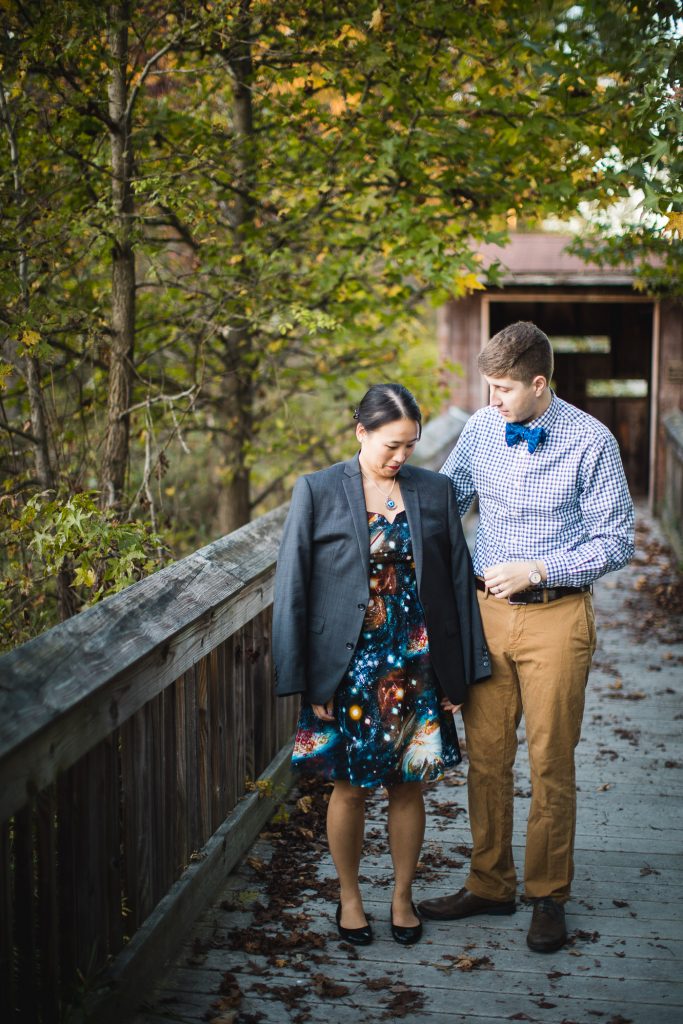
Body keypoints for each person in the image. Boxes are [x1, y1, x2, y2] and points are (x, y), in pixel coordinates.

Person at [418, 321, 635, 952]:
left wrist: (540, 568)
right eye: (487, 387)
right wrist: (377, 489)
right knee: (486, 757)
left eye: (503, 389)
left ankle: (547, 894)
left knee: (549, 761)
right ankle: (489, 883)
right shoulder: (483, 429)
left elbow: (617, 540)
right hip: (485, 615)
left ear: (539, 384)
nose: (491, 402)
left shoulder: (592, 442)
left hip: (557, 617)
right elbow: (448, 498)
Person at [272, 383, 490, 947]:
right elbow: (293, 586)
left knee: (409, 787)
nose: (401, 457)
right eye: (391, 444)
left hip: (418, 660)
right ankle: (349, 897)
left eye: (411, 446)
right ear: (361, 431)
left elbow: (458, 582)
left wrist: (459, 672)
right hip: (346, 668)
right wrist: (303, 678)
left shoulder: (435, 491)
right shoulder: (317, 491)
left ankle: (400, 896)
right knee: (347, 788)